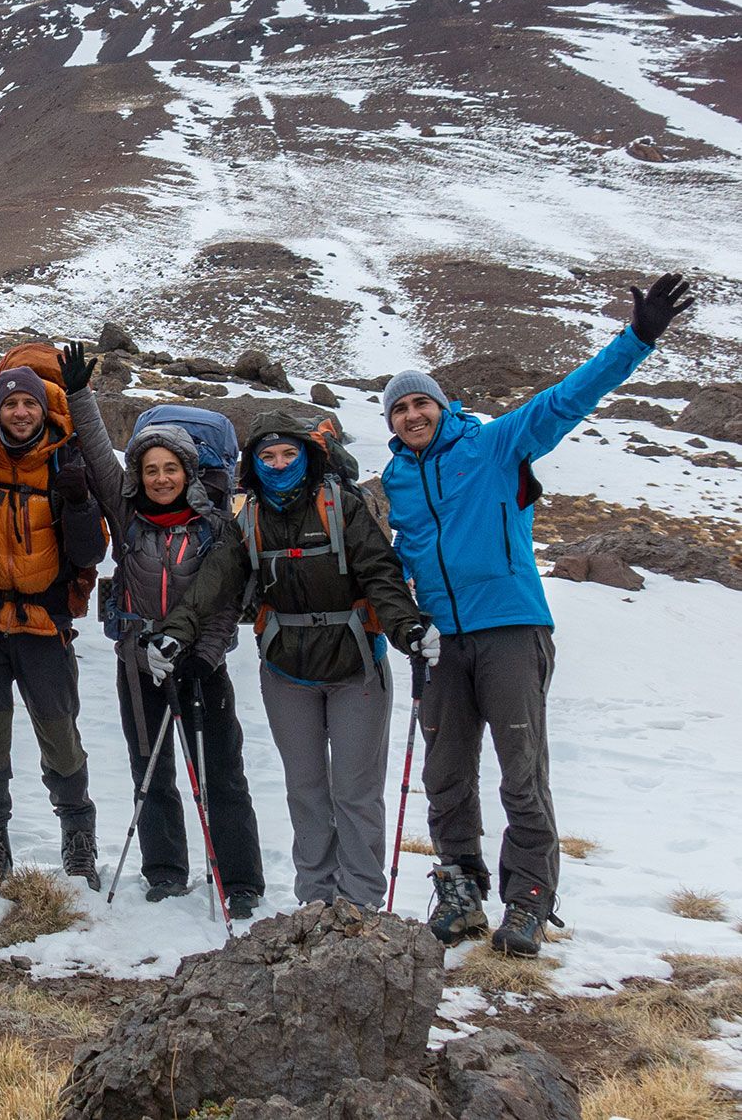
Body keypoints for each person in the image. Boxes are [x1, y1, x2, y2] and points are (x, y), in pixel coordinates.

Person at [385, 273, 694, 957]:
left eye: (420, 403)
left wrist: (636, 339)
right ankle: (460, 890)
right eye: (399, 408)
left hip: (510, 631)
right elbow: (388, 565)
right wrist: (406, 622)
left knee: (521, 772)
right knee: (445, 775)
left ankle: (527, 901)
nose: (411, 414)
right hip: (439, 644)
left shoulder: (493, 444)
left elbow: (565, 400)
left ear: (441, 406)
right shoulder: (396, 483)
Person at [69, 369, 265, 918]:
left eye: (170, 468)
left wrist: (203, 657)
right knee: (149, 770)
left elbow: (225, 604)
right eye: (151, 469)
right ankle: (164, 871)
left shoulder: (215, 528)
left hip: (201, 666)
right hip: (136, 663)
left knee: (221, 773)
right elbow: (98, 457)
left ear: (189, 472)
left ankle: (241, 880)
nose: (160, 478)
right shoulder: (128, 514)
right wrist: (81, 395)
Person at [223, 414, 429, 909]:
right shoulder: (248, 517)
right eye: (267, 457)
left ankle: (359, 905)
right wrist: (178, 633)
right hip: (285, 670)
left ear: (306, 456)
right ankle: (314, 901)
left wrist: (408, 628)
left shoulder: (342, 507)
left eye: (288, 454)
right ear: (253, 464)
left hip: (356, 666)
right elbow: (217, 581)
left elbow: (381, 573)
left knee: (355, 794)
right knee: (306, 790)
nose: (278, 464)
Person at [0, 349, 107, 900]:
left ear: (46, 409)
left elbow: (90, 553)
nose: (20, 412)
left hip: (45, 625)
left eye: (29, 403)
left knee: (60, 737)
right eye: (11, 403)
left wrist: (80, 503)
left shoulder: (66, 466)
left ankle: (78, 837)